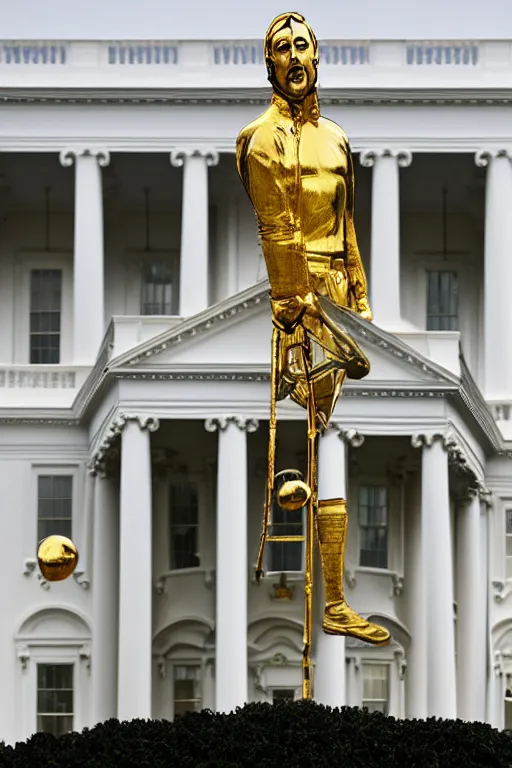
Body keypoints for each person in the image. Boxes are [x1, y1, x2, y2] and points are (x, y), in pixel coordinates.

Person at [236, 12, 390, 646]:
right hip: (298, 303)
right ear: (269, 64)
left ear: (317, 56)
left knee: (325, 447)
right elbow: (278, 231)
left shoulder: (337, 138)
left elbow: (348, 226)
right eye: (281, 49)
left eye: (302, 45)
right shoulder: (260, 138)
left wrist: (362, 305)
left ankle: (333, 603)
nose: (294, 56)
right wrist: (300, 308)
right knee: (315, 441)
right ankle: (331, 601)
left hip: (338, 296)